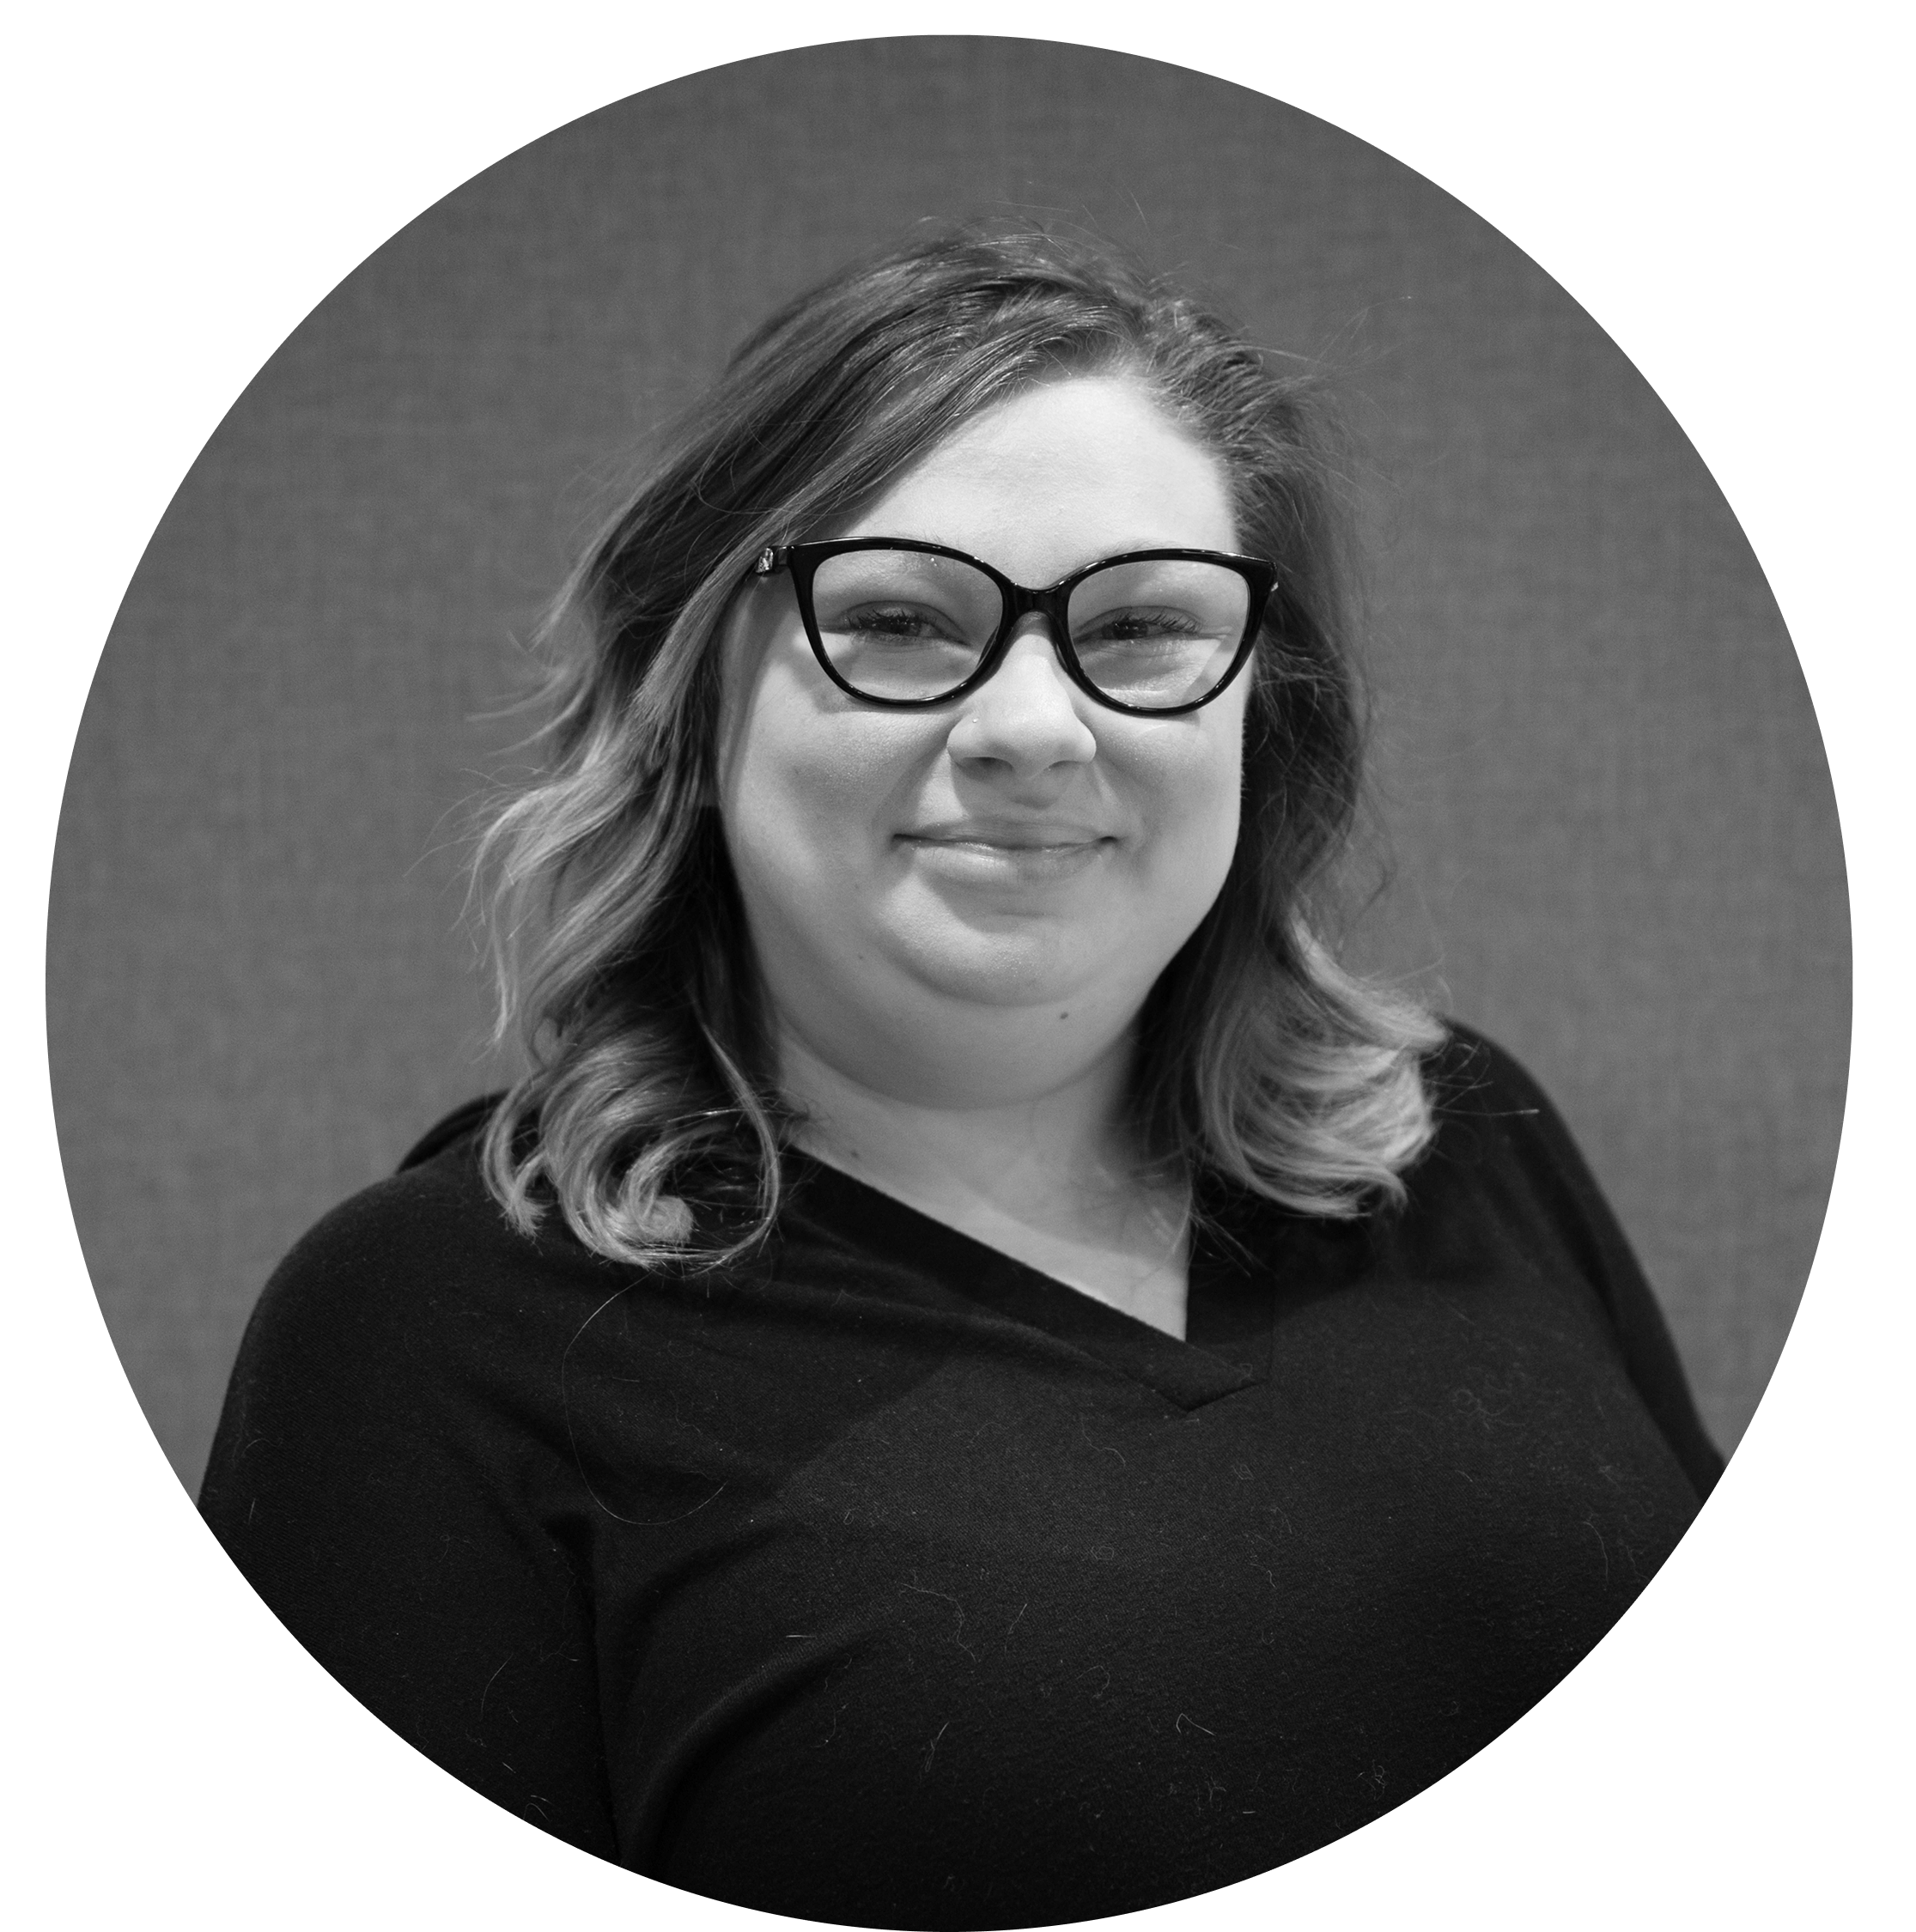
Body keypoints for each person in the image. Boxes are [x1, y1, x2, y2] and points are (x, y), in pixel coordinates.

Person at [200, 225, 1722, 1923]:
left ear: (1259, 716)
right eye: (901, 621)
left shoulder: (1460, 1141)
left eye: (1142, 627)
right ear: (689, 695)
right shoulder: (434, 1339)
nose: (1031, 725)